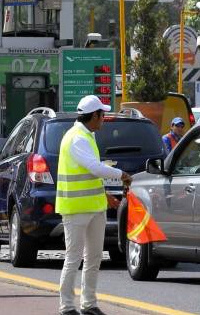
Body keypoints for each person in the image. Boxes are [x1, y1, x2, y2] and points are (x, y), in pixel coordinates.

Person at [56, 95, 132, 315]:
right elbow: (94, 168)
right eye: (102, 114)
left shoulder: (85, 136)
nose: (104, 119)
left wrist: (105, 194)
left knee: (94, 257)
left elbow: (89, 174)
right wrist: (122, 175)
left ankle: (88, 304)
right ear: (94, 115)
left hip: (94, 207)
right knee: (74, 258)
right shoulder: (77, 138)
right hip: (76, 210)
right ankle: (67, 306)